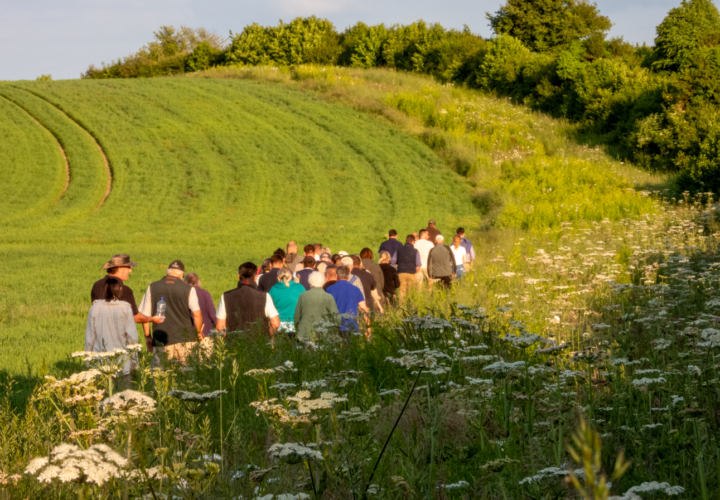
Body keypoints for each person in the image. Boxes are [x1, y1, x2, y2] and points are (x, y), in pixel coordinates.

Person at [86, 277, 157, 381]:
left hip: (100, 360)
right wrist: (134, 361)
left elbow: (90, 336)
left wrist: (88, 360)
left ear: (105, 290)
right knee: (123, 392)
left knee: (103, 393)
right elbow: (132, 337)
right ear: (120, 289)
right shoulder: (125, 308)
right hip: (122, 361)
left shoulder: (95, 307)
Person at [139, 260, 204, 361]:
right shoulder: (189, 289)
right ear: (182, 274)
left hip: (160, 341)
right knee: (186, 374)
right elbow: (197, 314)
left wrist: (148, 337)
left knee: (161, 375)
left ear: (168, 272)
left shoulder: (152, 287)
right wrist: (198, 333)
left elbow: (145, 316)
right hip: (185, 340)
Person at [216, 262, 281, 338]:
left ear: (238, 276)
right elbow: (276, 323)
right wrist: (267, 337)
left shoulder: (226, 296)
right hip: (259, 344)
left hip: (234, 345)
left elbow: (220, 326)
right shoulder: (264, 296)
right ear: (256, 277)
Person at [91, 254, 157, 328]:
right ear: (120, 269)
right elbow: (135, 317)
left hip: (98, 333)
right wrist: (152, 319)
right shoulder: (124, 289)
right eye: (128, 267)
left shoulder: (96, 285)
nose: (130, 270)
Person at [294, 271, 340, 340]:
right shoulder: (329, 297)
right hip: (324, 334)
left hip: (304, 333)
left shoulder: (303, 296)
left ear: (310, 281)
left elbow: (297, 316)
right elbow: (335, 317)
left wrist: (297, 329)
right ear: (323, 282)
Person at [326, 266, 370, 337]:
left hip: (335, 327)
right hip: (352, 327)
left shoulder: (330, 289)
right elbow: (364, 308)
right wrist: (368, 328)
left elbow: (326, 309)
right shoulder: (356, 289)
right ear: (348, 276)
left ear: (336, 275)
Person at [269, 268, 304, 332]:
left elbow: (269, 308)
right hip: (296, 324)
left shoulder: (273, 289)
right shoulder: (300, 287)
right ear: (290, 277)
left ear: (278, 278)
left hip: (279, 325)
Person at [184, 273, 217, 337]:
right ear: (198, 281)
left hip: (189, 334)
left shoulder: (184, 294)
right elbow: (212, 315)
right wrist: (218, 328)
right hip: (206, 332)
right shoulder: (205, 293)